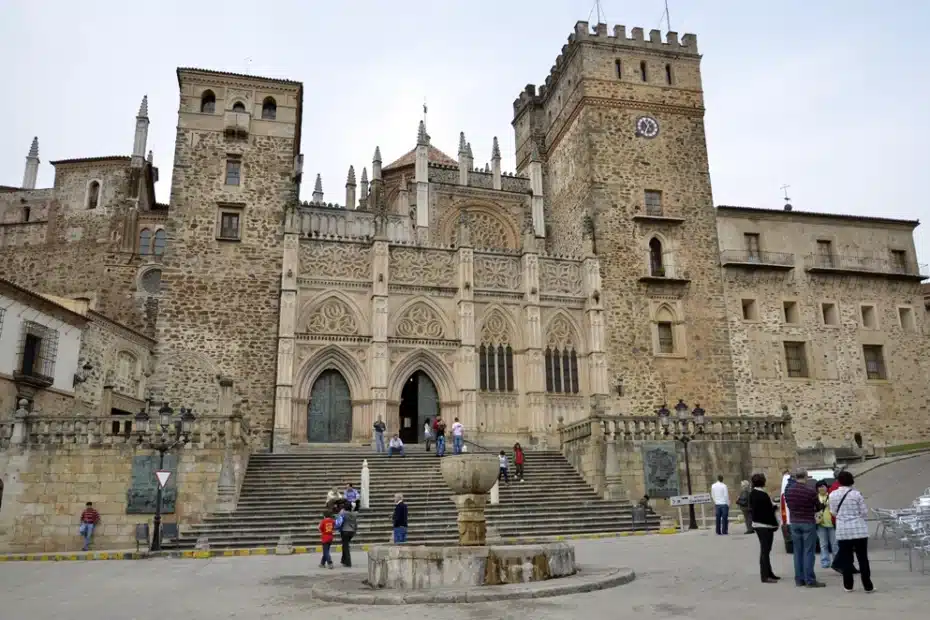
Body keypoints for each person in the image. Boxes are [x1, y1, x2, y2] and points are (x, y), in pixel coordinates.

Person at [830, 471, 873, 593]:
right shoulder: (856, 494)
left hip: (843, 531)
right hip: (859, 530)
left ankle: (848, 585)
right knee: (862, 558)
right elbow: (864, 511)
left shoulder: (833, 495)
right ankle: (867, 585)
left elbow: (833, 512)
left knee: (846, 559)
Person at [784, 468, 825, 587]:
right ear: (806, 476)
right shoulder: (810, 491)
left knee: (797, 552)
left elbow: (788, 504)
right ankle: (810, 579)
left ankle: (799, 579)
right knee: (808, 552)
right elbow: (817, 507)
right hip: (807, 522)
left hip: (794, 522)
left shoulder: (789, 491)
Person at [748, 473, 780, 584]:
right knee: (765, 551)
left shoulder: (753, 494)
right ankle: (765, 575)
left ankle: (769, 573)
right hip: (764, 525)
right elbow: (767, 510)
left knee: (766, 550)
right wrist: (775, 508)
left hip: (758, 524)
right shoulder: (762, 495)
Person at [815, 481, 838, 570]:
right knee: (823, 544)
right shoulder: (816, 498)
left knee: (835, 544)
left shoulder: (832, 496)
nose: (821, 488)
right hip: (821, 524)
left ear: (826, 487)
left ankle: (836, 562)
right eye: (819, 487)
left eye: (823, 486)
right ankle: (825, 562)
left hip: (832, 524)